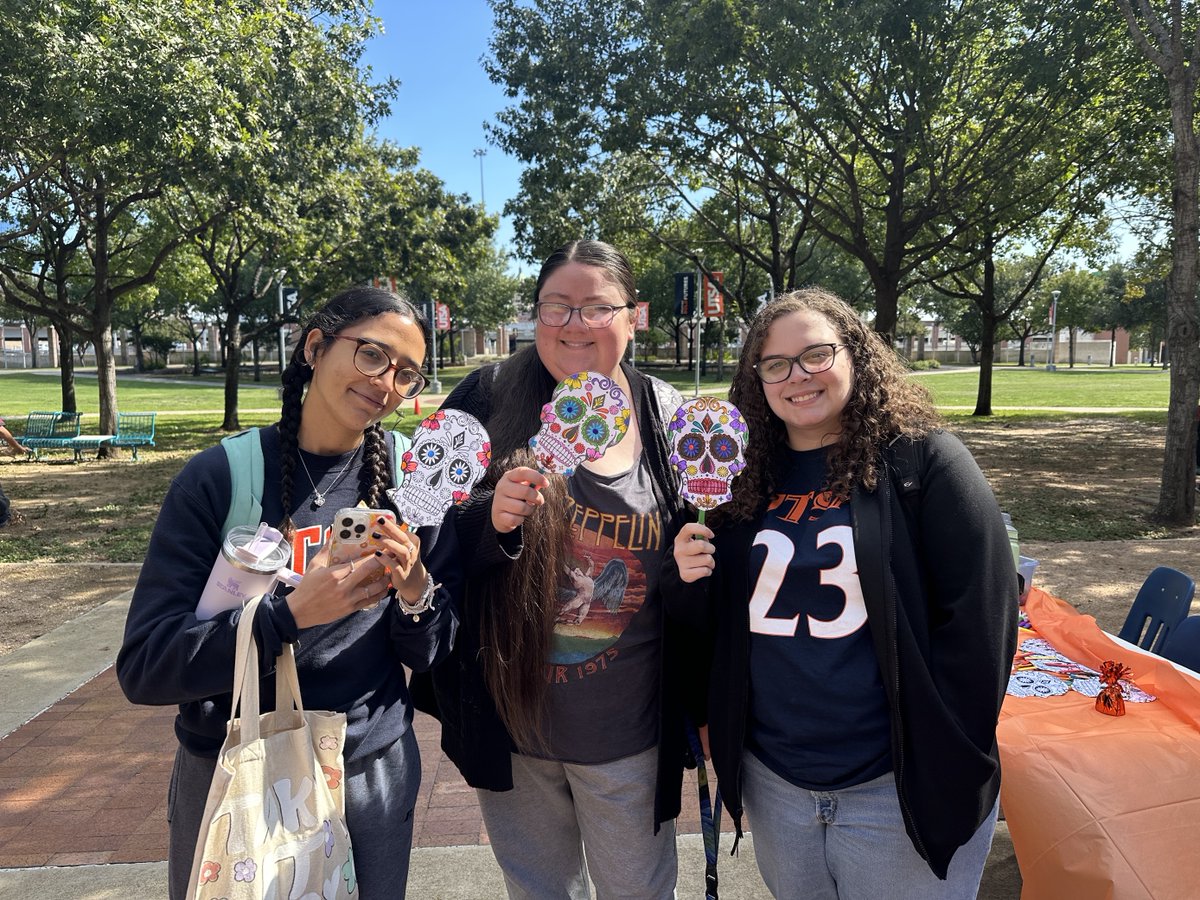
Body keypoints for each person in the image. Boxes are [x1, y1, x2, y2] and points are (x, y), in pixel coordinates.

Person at [665, 288, 1018, 899]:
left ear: (855, 354)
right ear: (758, 380)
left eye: (815, 355)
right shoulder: (736, 481)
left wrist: (949, 753)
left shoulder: (922, 464)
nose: (797, 376)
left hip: (895, 787)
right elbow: (713, 626)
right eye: (775, 364)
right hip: (777, 785)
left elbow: (983, 622)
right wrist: (683, 579)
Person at [117, 286, 457, 899]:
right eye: (373, 356)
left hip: (366, 771)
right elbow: (146, 667)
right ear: (316, 347)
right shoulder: (220, 478)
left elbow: (431, 650)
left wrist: (414, 590)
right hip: (232, 769)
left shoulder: (412, 479)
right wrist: (287, 616)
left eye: (407, 374)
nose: (387, 384)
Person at [415, 239, 699, 899]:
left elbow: (700, 560)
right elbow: (415, 520)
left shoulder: (668, 414)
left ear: (635, 316)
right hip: (515, 731)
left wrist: (693, 569)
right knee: (538, 891)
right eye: (556, 308)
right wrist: (487, 518)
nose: (574, 325)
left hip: (628, 734)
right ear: (535, 315)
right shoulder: (484, 396)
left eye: (596, 308)